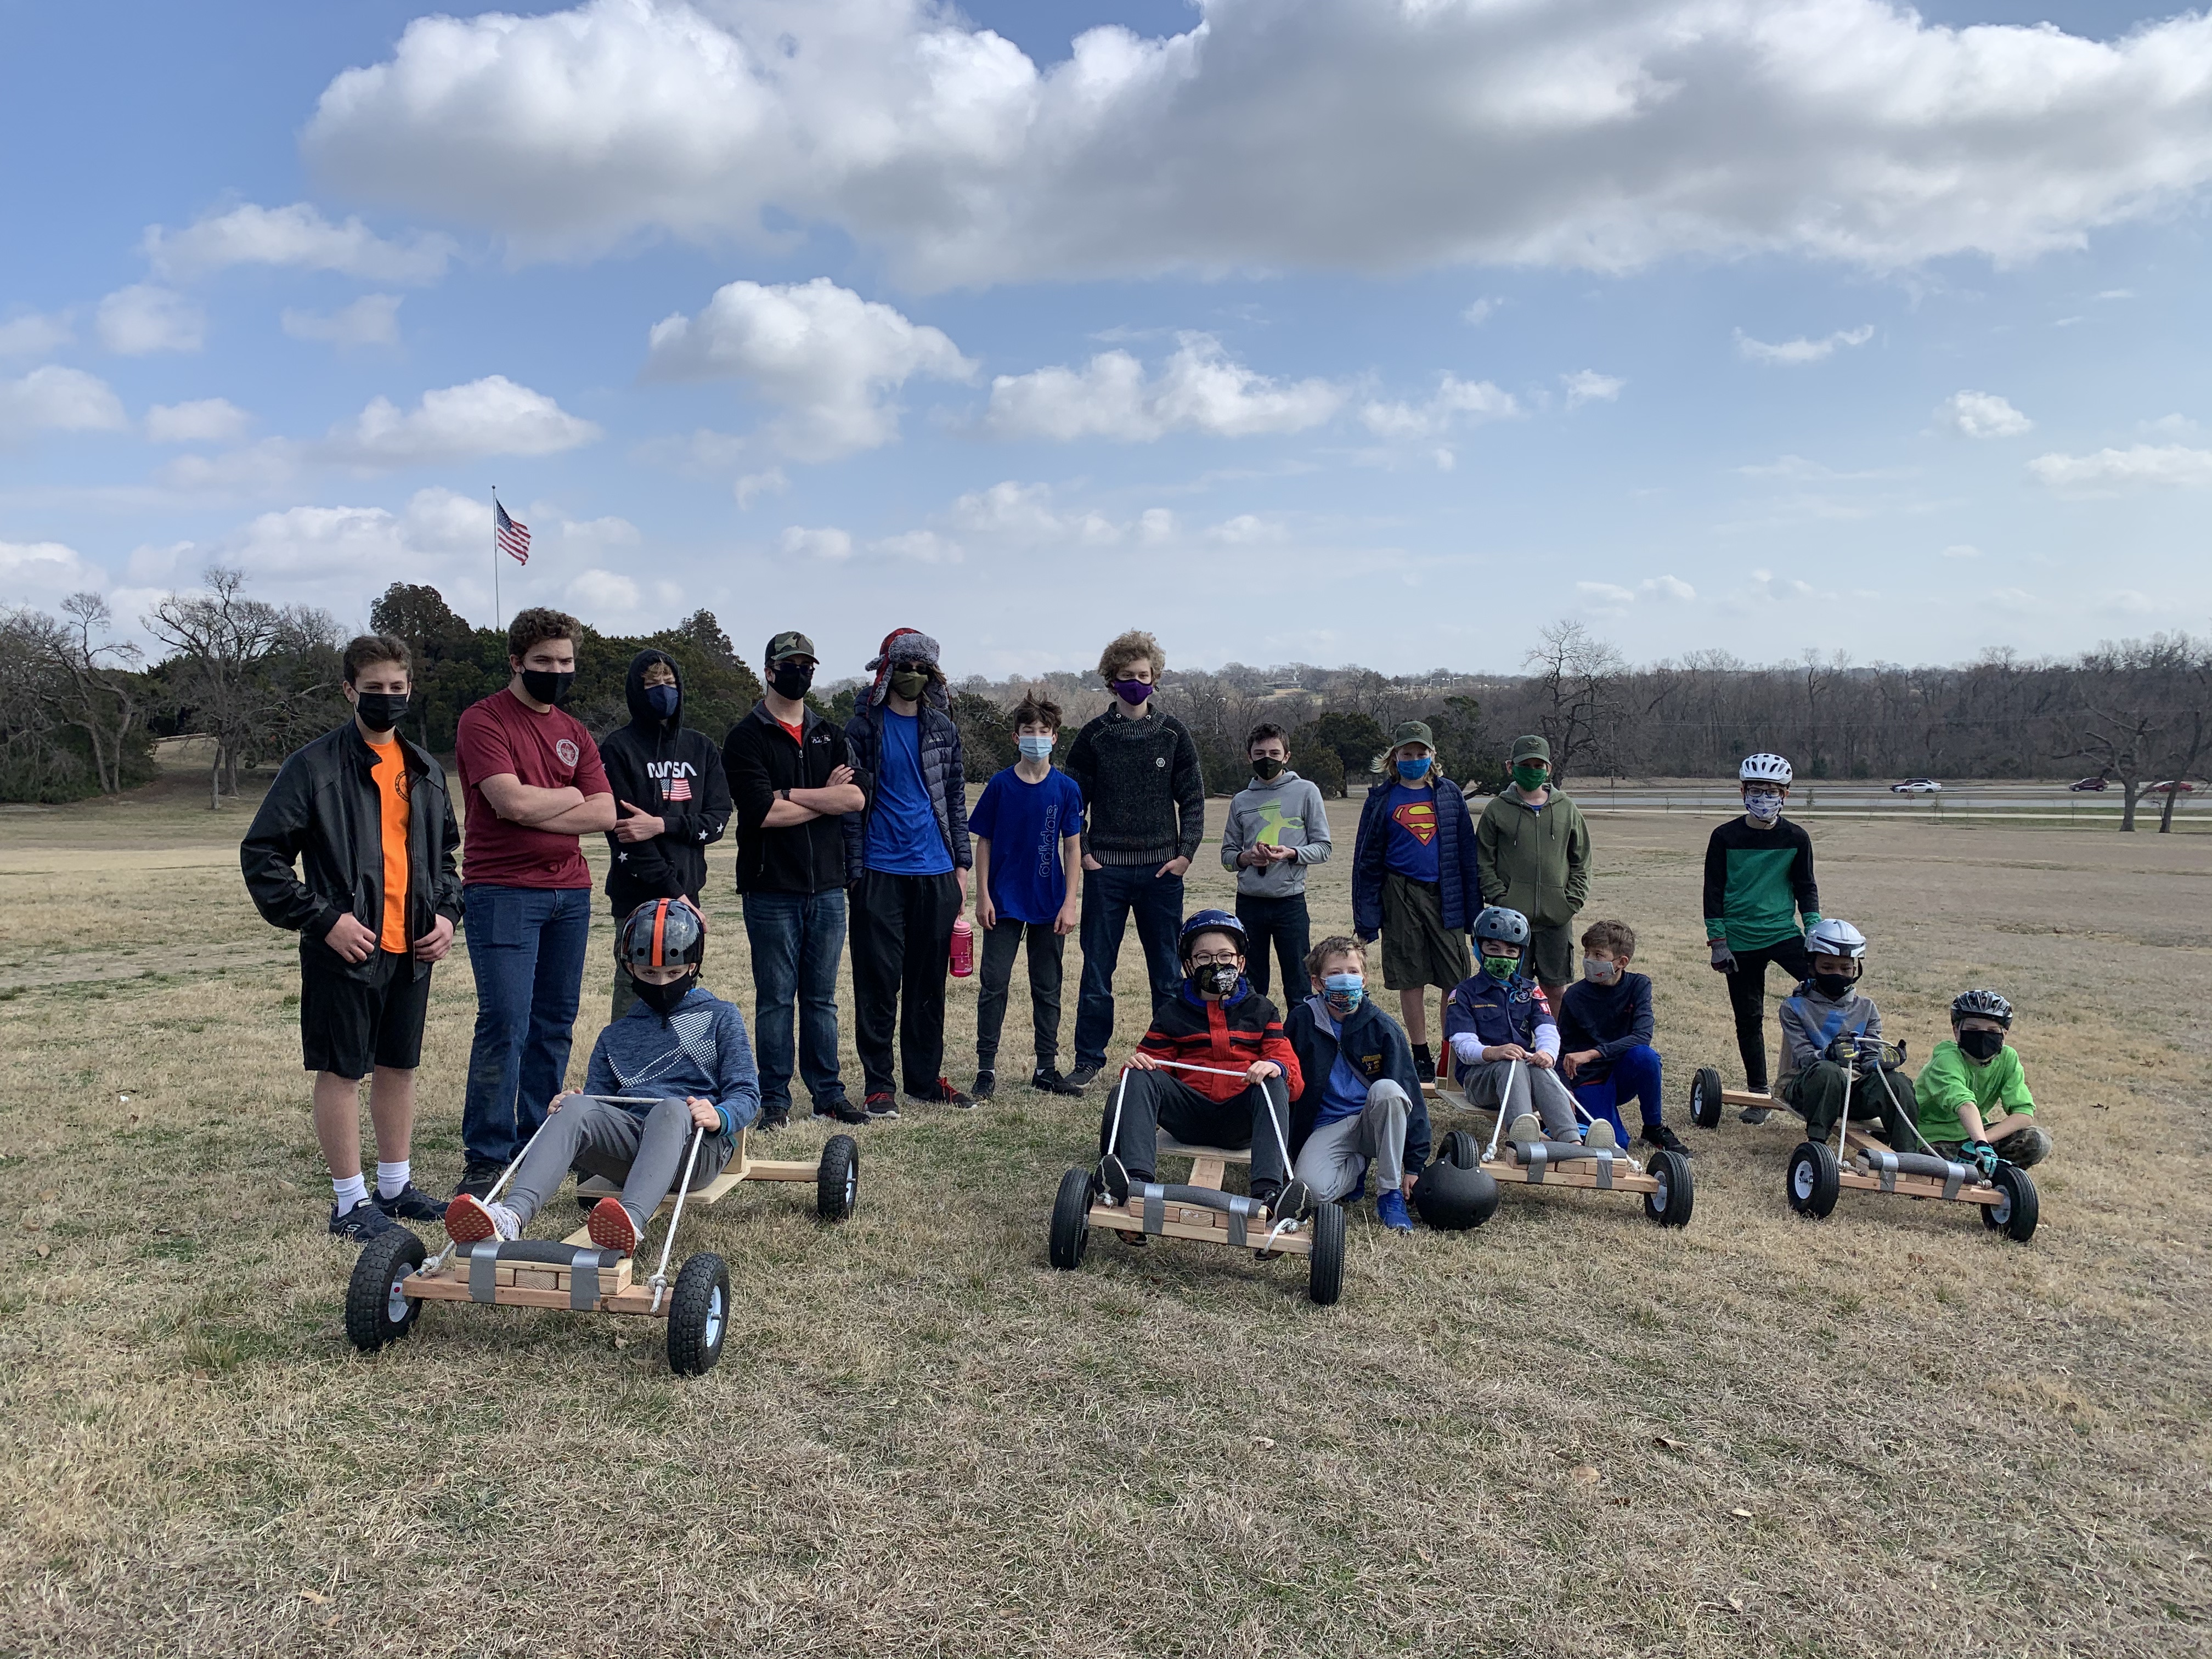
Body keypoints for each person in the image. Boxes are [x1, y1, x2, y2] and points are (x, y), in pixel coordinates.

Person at [240, 634, 461, 1239]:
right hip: (347, 947)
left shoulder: (424, 769)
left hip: (411, 948)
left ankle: (395, 1187)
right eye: (374, 689)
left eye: (397, 688)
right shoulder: (312, 768)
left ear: (410, 689)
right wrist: (324, 920)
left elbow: (447, 858)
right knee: (342, 1071)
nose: (387, 699)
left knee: (398, 1065)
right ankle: (348, 1202)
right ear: (348, 690)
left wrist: (446, 916)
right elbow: (263, 857)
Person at [444, 898, 759, 1254]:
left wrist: (719, 1115)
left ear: (693, 966)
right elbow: (600, 1105)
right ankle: (510, 1217)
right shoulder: (616, 1036)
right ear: (630, 969)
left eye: (674, 974)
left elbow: (747, 1095)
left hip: (697, 1152)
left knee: (670, 1109)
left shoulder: (721, 1018)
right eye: (648, 974)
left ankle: (630, 1222)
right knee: (576, 1106)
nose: (661, 983)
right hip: (633, 1152)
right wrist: (576, 1103)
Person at [452, 608, 616, 1197]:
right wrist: (570, 797)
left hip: (570, 893)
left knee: (553, 1025)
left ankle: (537, 1141)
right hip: (503, 891)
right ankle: (488, 1153)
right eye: (544, 661)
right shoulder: (484, 720)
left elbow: (605, 811)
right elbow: (508, 804)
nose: (556, 670)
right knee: (505, 1022)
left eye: (566, 661)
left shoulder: (575, 730)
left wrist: (551, 800)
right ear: (517, 661)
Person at [723, 630, 868, 1130]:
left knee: (822, 999)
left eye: (808, 663)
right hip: (771, 889)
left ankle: (828, 1094)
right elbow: (761, 813)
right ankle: (775, 1099)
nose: (800, 672)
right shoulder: (746, 737)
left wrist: (791, 794)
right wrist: (815, 797)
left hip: (828, 887)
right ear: (769, 670)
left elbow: (853, 800)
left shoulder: (830, 733)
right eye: (791, 663)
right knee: (776, 999)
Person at [1064, 629, 1206, 1089]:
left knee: (1167, 971)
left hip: (1162, 871)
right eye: (1128, 676)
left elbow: (1194, 801)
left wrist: (1185, 856)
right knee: (1097, 970)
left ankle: (1170, 1059)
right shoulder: (1094, 736)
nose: (1136, 683)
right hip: (1107, 870)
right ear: (1112, 681)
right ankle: (1088, 1060)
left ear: (1156, 679)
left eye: (1144, 676)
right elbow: (1072, 804)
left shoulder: (1173, 734)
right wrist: (1085, 854)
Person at [1095, 911, 1304, 1222]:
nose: (1216, 965)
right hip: (1188, 1118)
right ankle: (1137, 1185)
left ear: (1241, 962)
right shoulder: (1173, 1013)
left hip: (1239, 1120)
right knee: (1137, 1074)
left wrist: (1275, 1068)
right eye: (1204, 957)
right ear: (1190, 966)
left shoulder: (1262, 1011)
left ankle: (1268, 1196)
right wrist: (1140, 1066)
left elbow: (1294, 1080)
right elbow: (1143, 1082)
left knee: (1274, 1078)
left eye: (1225, 956)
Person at [842, 628, 972, 1116]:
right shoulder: (861, 728)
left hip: (936, 869)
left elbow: (955, 799)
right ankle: (879, 1084)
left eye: (923, 669)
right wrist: (855, 873)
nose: (913, 676)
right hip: (879, 869)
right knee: (877, 981)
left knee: (927, 984)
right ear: (886, 670)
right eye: (905, 667)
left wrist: (960, 863)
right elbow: (850, 809)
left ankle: (923, 1078)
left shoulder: (944, 727)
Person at [597, 648, 731, 1020]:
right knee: (634, 990)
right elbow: (625, 833)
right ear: (635, 691)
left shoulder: (701, 747)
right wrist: (676, 894)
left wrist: (662, 824)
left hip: (690, 896)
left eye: (669, 683)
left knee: (683, 991)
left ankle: (678, 1076)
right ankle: (626, 1076)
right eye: (652, 684)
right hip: (638, 898)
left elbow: (718, 818)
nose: (662, 690)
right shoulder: (618, 748)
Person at [968, 691, 1086, 1099]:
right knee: (994, 984)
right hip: (1003, 902)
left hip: (1049, 903)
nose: (1036, 737)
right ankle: (986, 1069)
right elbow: (983, 842)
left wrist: (1070, 901)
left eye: (1044, 731)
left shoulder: (1067, 788)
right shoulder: (1000, 785)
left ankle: (1046, 1068)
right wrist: (982, 895)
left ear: (1055, 738)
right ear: (1016, 737)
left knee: (1047, 986)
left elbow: (1072, 847)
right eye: (1028, 731)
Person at [1351, 719, 1480, 1083]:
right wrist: (1366, 919)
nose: (1414, 759)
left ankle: (1451, 1053)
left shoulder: (1448, 793)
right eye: (1407, 753)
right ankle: (1420, 1053)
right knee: (1411, 976)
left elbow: (1466, 853)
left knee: (1453, 978)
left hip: (1446, 892)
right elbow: (1366, 861)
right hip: (1399, 893)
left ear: (1432, 756)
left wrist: (1473, 912)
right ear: (1395, 757)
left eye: (1421, 753)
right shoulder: (1381, 799)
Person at [1703, 752, 1821, 1124]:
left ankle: (1818, 1080)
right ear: (1742, 791)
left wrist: (1815, 931)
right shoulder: (1724, 837)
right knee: (1749, 1017)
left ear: (1785, 794)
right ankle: (1758, 1094)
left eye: (1772, 791)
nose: (1764, 797)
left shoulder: (1796, 838)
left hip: (1783, 933)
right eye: (1757, 790)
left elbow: (1806, 886)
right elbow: (1713, 891)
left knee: (1826, 992)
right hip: (1739, 939)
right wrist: (1718, 941)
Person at [1284, 936, 1427, 1233]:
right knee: (1310, 1192)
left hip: (1372, 1122)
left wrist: (1414, 1166)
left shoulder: (1383, 1028)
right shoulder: (1301, 1021)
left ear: (1365, 978)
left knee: (1388, 1092)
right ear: (1317, 982)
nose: (1345, 980)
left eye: (1352, 972)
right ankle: (1356, 1169)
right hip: (1326, 1125)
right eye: (1335, 974)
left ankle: (1390, 1195)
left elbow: (1410, 1093)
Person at [1474, 734, 1592, 1028]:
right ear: (1510, 767)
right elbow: (1483, 861)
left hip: (1556, 919)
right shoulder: (1497, 810)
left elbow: (1582, 860)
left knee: (1556, 988)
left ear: (1549, 769)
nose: (1533, 769)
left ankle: (1554, 1050)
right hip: (1511, 922)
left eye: (1539, 765)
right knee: (1513, 987)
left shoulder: (1566, 808)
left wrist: (1571, 901)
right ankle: (1515, 1041)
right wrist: (1501, 899)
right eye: (1525, 764)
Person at [1442, 906, 1581, 1142]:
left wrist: (1547, 1053)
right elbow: (1463, 1046)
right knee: (1511, 1063)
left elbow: (1548, 1029)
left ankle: (1572, 1138)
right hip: (1480, 1081)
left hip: (1525, 1080)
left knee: (1540, 1067)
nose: (1502, 957)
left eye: (1511, 951)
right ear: (1479, 949)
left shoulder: (1530, 990)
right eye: (1493, 949)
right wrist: (1494, 1053)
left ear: (1520, 956)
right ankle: (1522, 1136)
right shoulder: (1464, 994)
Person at [1775, 918, 1914, 1146]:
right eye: (1827, 968)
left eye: (1845, 969)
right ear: (1812, 966)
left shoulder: (1867, 1008)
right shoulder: (1794, 1007)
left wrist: (1883, 1061)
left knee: (1898, 1082)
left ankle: (1909, 1156)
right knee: (1828, 1071)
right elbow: (1804, 1057)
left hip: (1855, 1091)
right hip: (1808, 1087)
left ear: (1856, 970)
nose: (1837, 974)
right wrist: (1828, 1054)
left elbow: (1869, 1059)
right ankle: (1817, 1144)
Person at [1220, 722, 1331, 1001]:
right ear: (1249, 757)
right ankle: (1254, 1039)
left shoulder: (1306, 792)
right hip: (1249, 902)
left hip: (1289, 902)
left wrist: (1291, 853)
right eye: (1259, 754)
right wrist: (1247, 857)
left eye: (1274, 752)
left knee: (1298, 983)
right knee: (1251, 985)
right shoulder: (1241, 800)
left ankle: (1300, 1042)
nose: (1266, 759)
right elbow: (1227, 856)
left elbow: (1324, 848)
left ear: (1286, 756)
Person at [1556, 919, 1688, 1156]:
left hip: (1622, 1072)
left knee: (1646, 1057)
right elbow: (1561, 1049)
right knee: (1616, 1146)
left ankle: (1653, 1128)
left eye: (1598, 954)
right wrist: (1565, 1092)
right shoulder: (1574, 996)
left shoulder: (1639, 985)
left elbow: (1643, 1036)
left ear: (1622, 962)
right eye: (1587, 952)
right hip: (1587, 1079)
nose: (1589, 960)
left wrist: (1593, 1053)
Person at [1913, 989, 2051, 1172]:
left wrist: (1982, 1142)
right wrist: (1980, 1142)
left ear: (2004, 1034)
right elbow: (1963, 1103)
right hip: (1931, 1138)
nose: (1983, 1036)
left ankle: (1984, 1167)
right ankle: (1978, 1171)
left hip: (1976, 1136)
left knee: (2037, 1141)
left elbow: (2024, 1113)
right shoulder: (1946, 1058)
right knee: (1937, 1167)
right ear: (1957, 1031)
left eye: (1992, 1031)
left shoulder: (2008, 1058)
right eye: (1973, 1030)